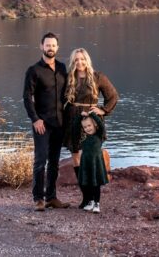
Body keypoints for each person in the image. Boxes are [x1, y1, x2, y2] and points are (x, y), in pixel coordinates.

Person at [63, 47, 118, 208]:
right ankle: (86, 198)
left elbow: (113, 96)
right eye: (76, 60)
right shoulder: (69, 78)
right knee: (76, 157)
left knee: (88, 157)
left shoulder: (97, 77)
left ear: (87, 60)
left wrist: (103, 110)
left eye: (82, 59)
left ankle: (95, 198)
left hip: (90, 121)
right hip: (73, 120)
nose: (79, 62)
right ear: (73, 62)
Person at [23, 32, 70, 211]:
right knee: (40, 161)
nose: (50, 48)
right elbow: (27, 97)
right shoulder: (34, 70)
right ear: (41, 46)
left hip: (59, 123)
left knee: (54, 162)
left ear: (57, 47)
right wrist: (35, 119)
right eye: (47, 45)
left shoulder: (62, 68)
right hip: (42, 124)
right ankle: (38, 199)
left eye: (53, 45)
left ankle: (51, 197)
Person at [76, 113, 108, 213]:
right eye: (85, 127)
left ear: (94, 124)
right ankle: (91, 202)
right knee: (87, 184)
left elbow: (101, 125)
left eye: (89, 125)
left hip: (96, 163)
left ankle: (97, 203)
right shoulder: (83, 137)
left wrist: (92, 114)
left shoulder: (100, 135)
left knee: (96, 184)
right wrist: (80, 117)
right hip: (86, 164)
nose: (87, 128)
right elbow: (75, 127)